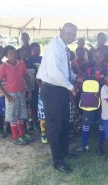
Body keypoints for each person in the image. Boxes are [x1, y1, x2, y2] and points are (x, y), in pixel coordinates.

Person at [36, 23, 78, 174]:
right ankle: (58, 161)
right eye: (68, 33)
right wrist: (71, 86)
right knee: (55, 126)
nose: (71, 36)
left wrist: (74, 77)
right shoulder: (54, 46)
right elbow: (54, 73)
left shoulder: (64, 48)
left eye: (73, 33)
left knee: (65, 123)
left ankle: (64, 152)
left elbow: (64, 70)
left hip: (61, 89)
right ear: (61, 31)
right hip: (52, 89)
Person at [0, 45, 32, 145]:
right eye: (11, 54)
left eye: (15, 53)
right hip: (11, 95)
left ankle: (21, 134)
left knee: (21, 114)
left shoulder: (21, 64)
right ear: (6, 56)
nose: (14, 56)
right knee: (12, 116)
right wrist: (7, 95)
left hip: (21, 93)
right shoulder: (3, 67)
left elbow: (26, 77)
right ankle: (16, 137)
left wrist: (29, 92)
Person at [76, 49, 106, 155]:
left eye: (100, 56)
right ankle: (84, 145)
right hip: (89, 100)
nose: (98, 58)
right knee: (86, 122)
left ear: (104, 57)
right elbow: (81, 80)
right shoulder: (88, 69)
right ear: (92, 58)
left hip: (103, 101)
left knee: (102, 123)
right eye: (95, 56)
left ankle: (100, 146)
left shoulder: (107, 70)